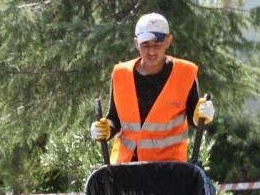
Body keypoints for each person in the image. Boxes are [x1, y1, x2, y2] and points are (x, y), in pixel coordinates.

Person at [90, 12, 216, 163]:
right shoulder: (120, 74)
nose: (152, 51)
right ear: (136, 43)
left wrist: (202, 116)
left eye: (158, 45)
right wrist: (105, 129)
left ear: (168, 41)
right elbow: (114, 119)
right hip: (127, 168)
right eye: (145, 45)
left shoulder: (184, 73)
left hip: (169, 168)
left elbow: (194, 119)